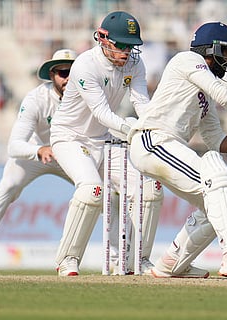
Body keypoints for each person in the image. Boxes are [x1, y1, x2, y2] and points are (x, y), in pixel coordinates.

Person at [127, 21, 227, 278]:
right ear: (211, 49)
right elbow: (225, 96)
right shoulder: (188, 60)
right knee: (218, 179)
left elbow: (215, 139)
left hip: (167, 148)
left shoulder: (202, 93)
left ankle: (171, 263)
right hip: (153, 141)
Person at [50, 11, 163, 276]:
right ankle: (67, 259)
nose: (127, 51)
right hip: (70, 136)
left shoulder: (135, 64)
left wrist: (156, 128)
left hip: (105, 140)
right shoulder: (85, 65)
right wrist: (132, 128)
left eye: (131, 45)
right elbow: (101, 112)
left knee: (150, 188)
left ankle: (138, 259)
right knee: (92, 191)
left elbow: (142, 103)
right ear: (103, 39)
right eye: (121, 45)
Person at [0, 49, 78, 276]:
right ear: (52, 75)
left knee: (98, 192)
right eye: (63, 72)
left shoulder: (87, 96)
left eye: (73, 72)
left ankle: (98, 259)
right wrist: (39, 149)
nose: (68, 77)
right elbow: (14, 145)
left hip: (69, 154)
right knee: (7, 188)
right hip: (36, 151)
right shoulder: (36, 98)